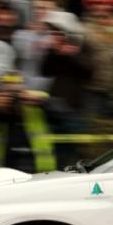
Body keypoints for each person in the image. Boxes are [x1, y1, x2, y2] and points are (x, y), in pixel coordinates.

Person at [0, 74, 55, 182]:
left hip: (35, 176)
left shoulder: (36, 109)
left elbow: (62, 115)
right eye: (7, 92)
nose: (13, 97)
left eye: (16, 93)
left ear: (25, 93)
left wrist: (42, 103)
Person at [39, 10, 95, 166]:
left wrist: (71, 54)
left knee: (74, 150)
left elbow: (89, 71)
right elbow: (45, 71)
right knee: (54, 149)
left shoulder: (84, 45)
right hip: (53, 106)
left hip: (75, 107)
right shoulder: (55, 49)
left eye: (58, 31)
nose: (55, 35)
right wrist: (53, 52)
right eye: (54, 32)